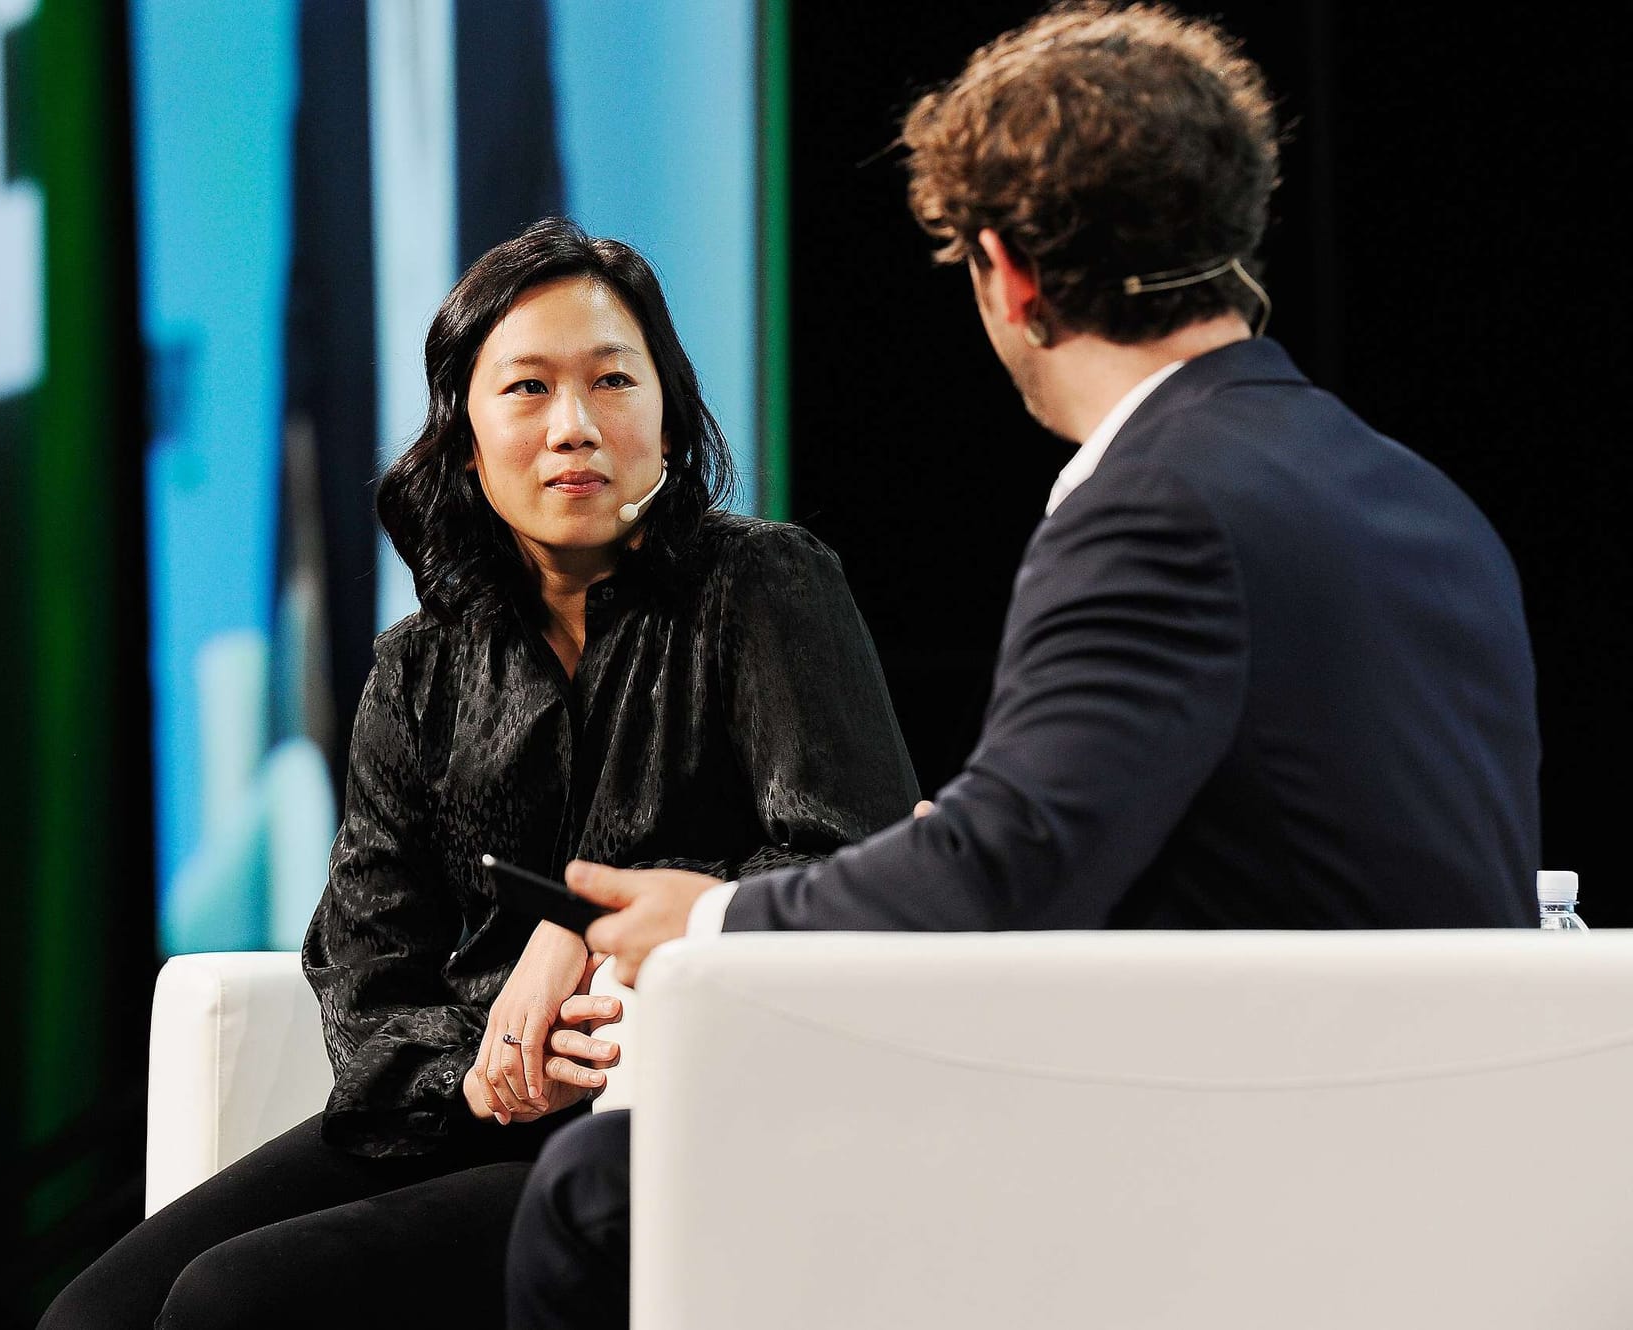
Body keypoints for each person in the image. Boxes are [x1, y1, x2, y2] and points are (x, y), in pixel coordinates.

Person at [504, 5, 1541, 1327]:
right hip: (1443, 1159)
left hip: (1247, 1162)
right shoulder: (1416, 496)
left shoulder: (1157, 500)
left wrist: (703, 925)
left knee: (601, 1195)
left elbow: (1004, 871)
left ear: (1005, 273)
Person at [38, 217, 918, 1329]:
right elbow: (364, 972)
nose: (574, 426)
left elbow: (857, 861)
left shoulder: (762, 586)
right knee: (91, 1314)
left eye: (611, 380)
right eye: (527, 389)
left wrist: (587, 933)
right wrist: (483, 1067)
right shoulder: (418, 668)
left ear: (665, 413)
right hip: (456, 1110)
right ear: (462, 439)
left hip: (668, 1113)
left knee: (234, 1300)